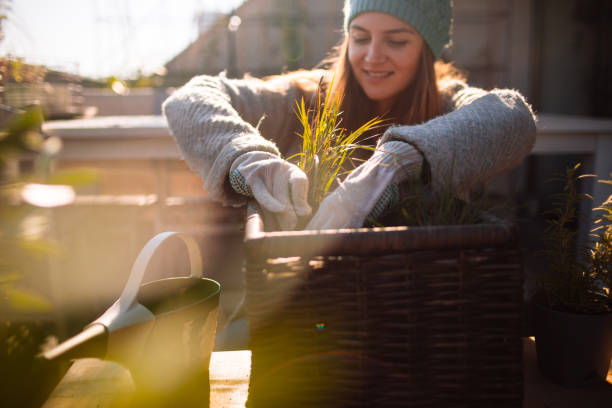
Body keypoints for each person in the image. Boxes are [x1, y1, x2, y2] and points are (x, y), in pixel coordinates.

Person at [163, 0, 536, 234]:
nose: (373, 56)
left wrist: (395, 163)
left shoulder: (446, 103)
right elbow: (189, 99)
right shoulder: (308, 98)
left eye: (396, 41)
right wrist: (249, 158)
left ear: (426, 49)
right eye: (360, 38)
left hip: (419, 305)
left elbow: (513, 116)